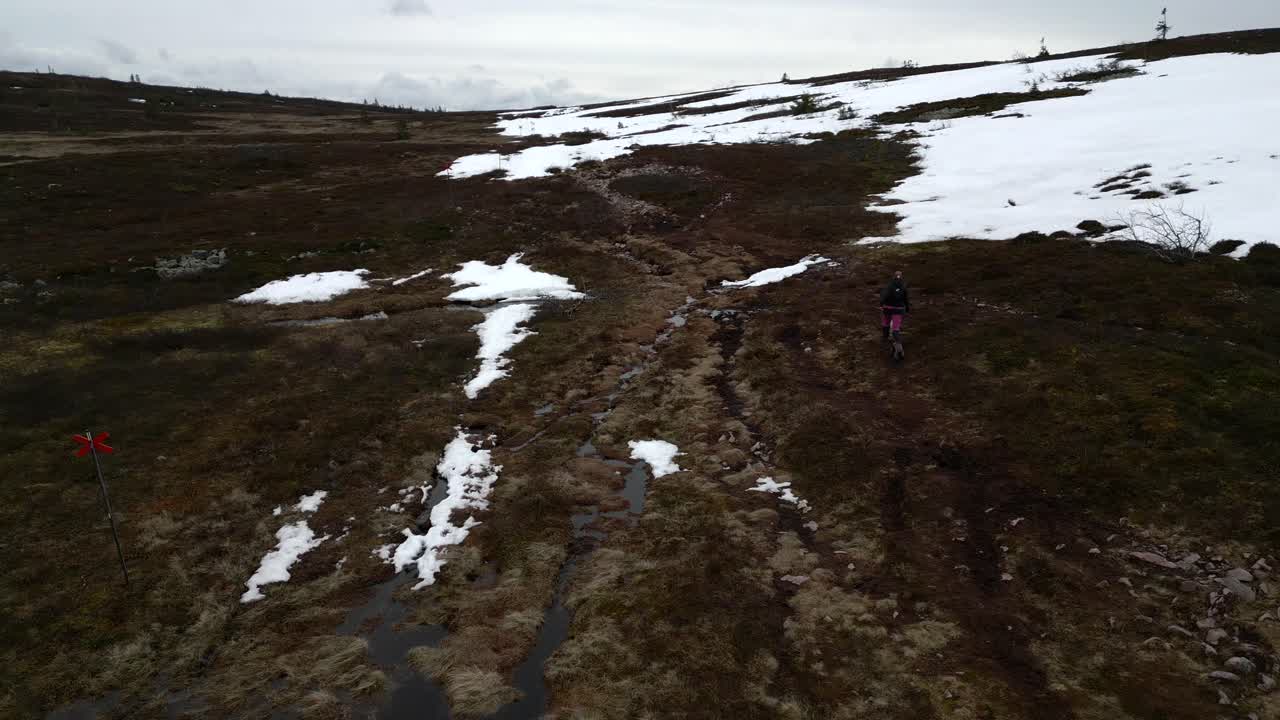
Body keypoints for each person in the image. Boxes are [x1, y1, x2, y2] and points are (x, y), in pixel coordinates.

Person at [880, 270, 909, 340]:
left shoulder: (889, 285)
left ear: (894, 277)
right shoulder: (903, 286)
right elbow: (905, 298)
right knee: (896, 327)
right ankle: (898, 343)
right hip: (898, 309)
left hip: (887, 307)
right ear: (901, 277)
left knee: (886, 322)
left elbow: (884, 295)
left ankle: (885, 338)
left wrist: (881, 304)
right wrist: (907, 307)